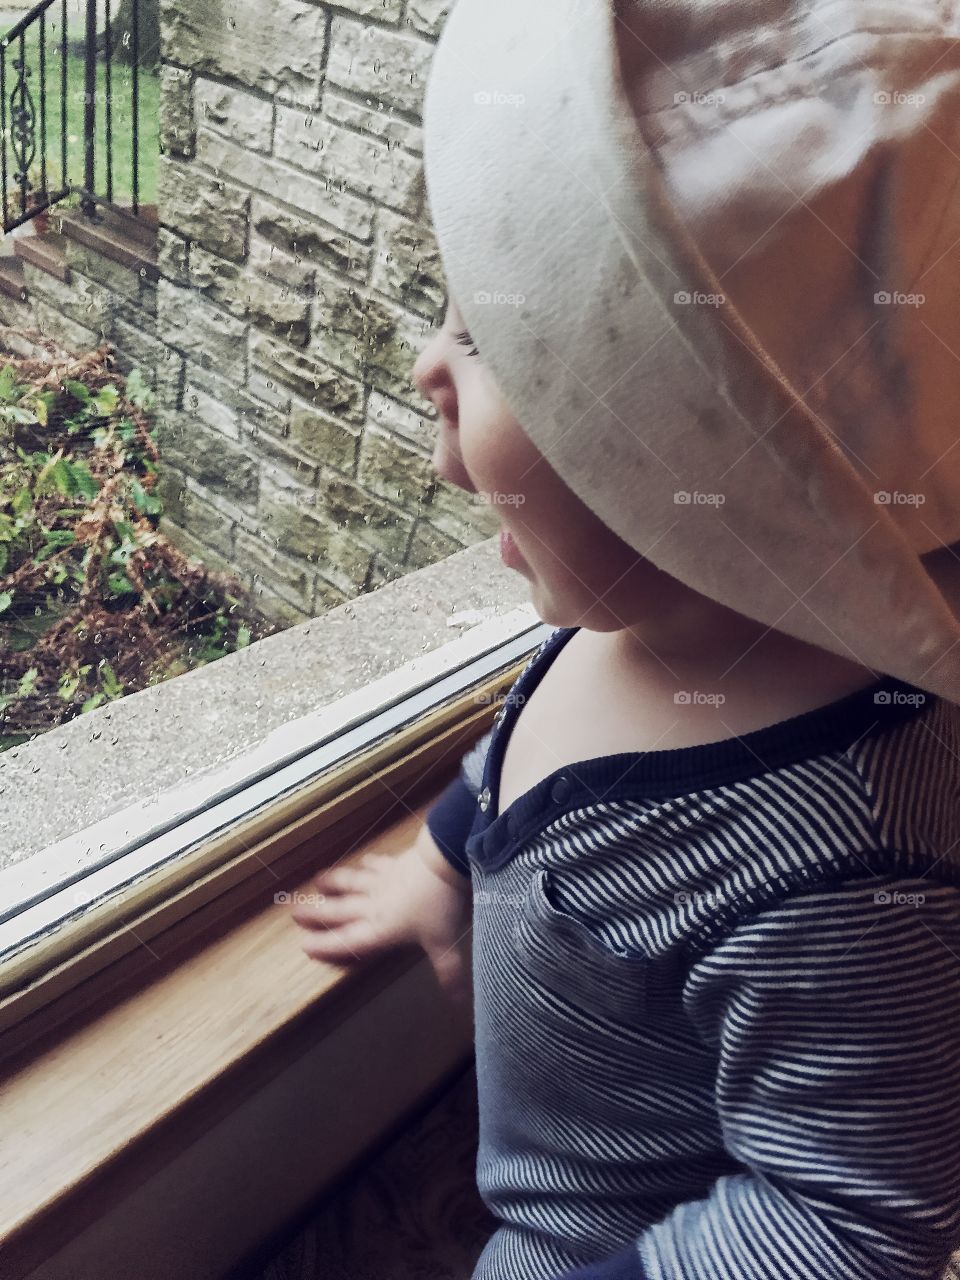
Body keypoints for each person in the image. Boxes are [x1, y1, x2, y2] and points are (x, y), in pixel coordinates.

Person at [291, 1, 960, 1276]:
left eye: (488, 338)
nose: (428, 362)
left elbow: (851, 1221)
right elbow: (526, 749)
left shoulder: (848, 871)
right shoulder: (662, 613)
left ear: (698, 462)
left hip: (598, 1241)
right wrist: (444, 863)